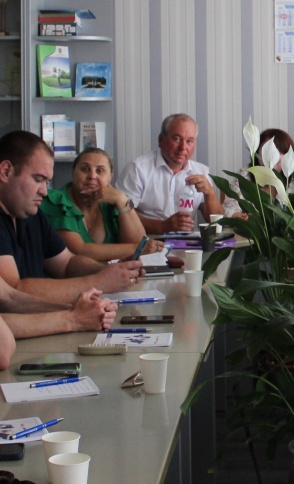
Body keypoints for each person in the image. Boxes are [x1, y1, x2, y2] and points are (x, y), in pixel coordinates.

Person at [0, 131, 125, 337]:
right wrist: (76, 313)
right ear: (5, 171)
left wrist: (108, 272)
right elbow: (13, 292)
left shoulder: (30, 213)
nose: (44, 191)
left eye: (47, 182)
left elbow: (65, 264)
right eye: (38, 179)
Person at [40, 148, 164, 262]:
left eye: (100, 171)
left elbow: (138, 240)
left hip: (114, 275)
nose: (92, 176)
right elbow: (78, 250)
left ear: (110, 177)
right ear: (73, 172)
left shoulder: (112, 202)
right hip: (72, 277)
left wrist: (122, 200)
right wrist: (136, 249)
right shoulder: (55, 200)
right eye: (85, 169)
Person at [118, 113, 223, 234]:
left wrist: (210, 193)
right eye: (177, 139)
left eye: (189, 141)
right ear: (161, 140)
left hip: (187, 242)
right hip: (147, 240)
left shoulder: (201, 172)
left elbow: (217, 222)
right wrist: (162, 226)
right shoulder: (138, 169)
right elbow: (121, 215)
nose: (183, 147)